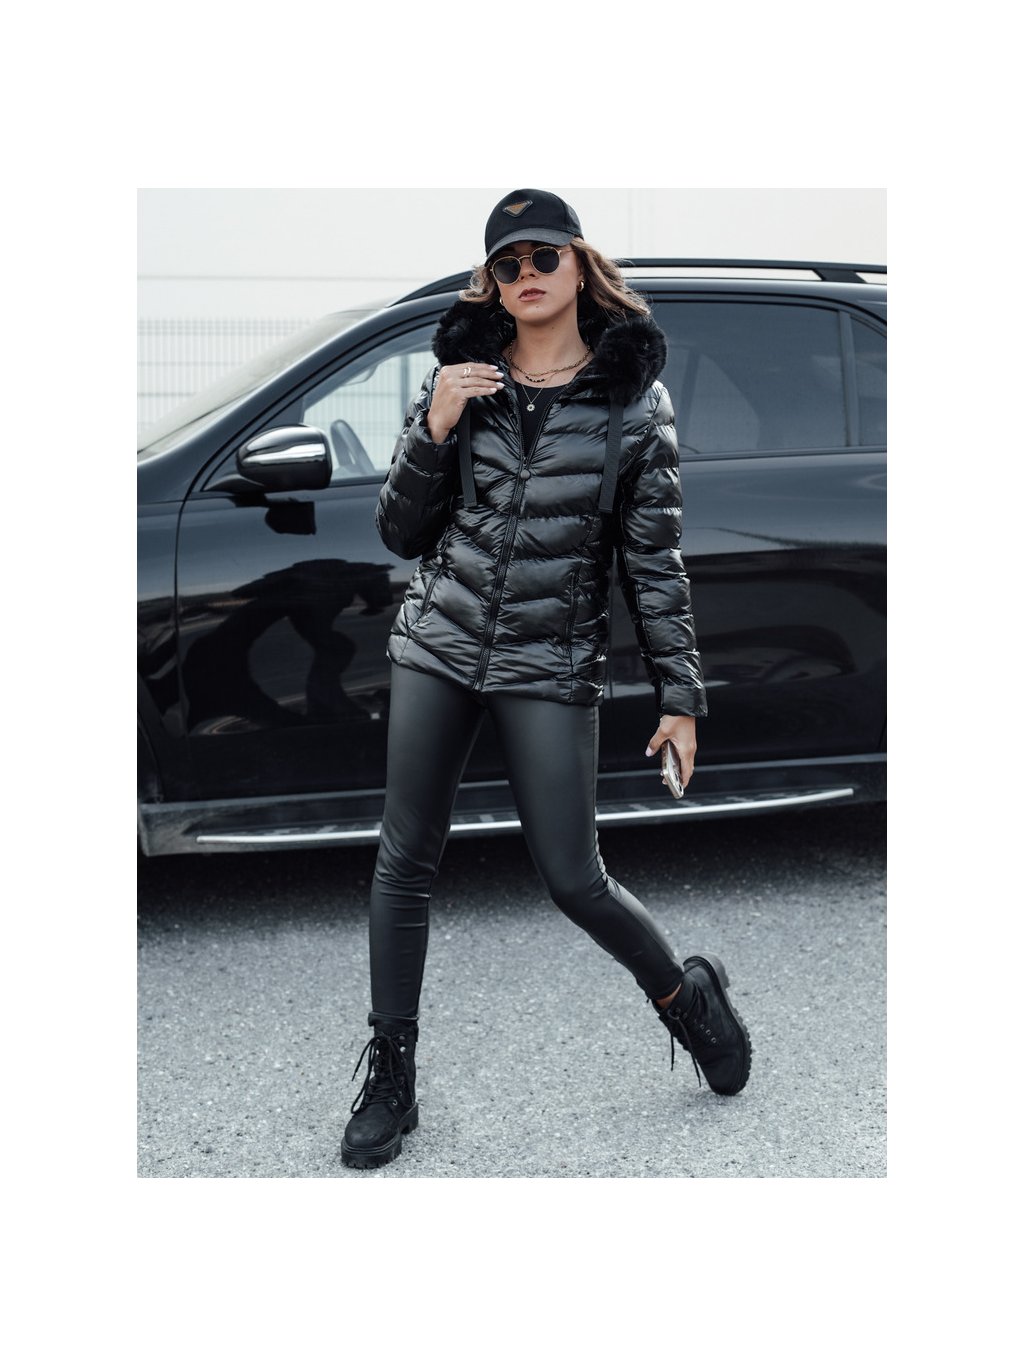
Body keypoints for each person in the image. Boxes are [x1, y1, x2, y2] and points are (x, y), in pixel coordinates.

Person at [341, 189, 751, 1170]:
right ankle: (391, 1074)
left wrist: (680, 696)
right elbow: (399, 531)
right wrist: (433, 428)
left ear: (578, 263)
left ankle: (686, 997)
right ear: (491, 281)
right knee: (404, 860)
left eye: (543, 256)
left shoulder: (633, 405)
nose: (526, 274)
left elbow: (652, 563)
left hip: (548, 658)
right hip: (439, 642)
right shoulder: (457, 383)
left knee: (574, 878)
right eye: (508, 263)